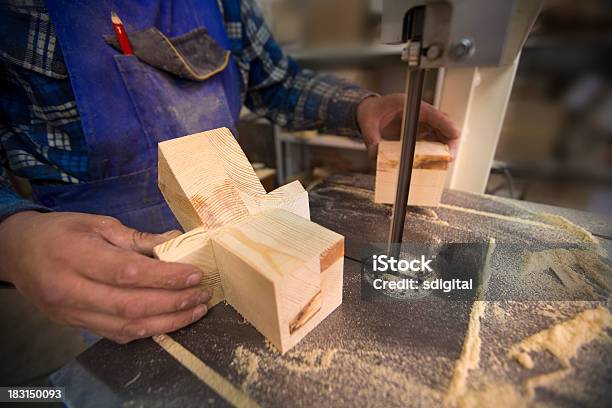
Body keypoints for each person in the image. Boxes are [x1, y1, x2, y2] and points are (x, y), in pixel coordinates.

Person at [0, 0, 459, 344]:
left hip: (232, 207)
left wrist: (361, 106)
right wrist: (11, 235)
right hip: (100, 270)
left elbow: (276, 81)